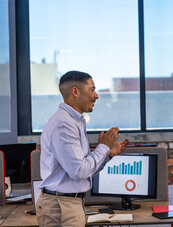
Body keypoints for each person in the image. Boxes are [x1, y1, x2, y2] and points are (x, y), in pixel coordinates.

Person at [36, 70, 129, 227]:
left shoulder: (74, 122)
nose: (96, 96)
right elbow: (79, 171)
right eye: (92, 90)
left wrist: (107, 154)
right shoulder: (64, 124)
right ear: (76, 92)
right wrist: (103, 147)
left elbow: (85, 168)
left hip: (69, 203)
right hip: (62, 206)